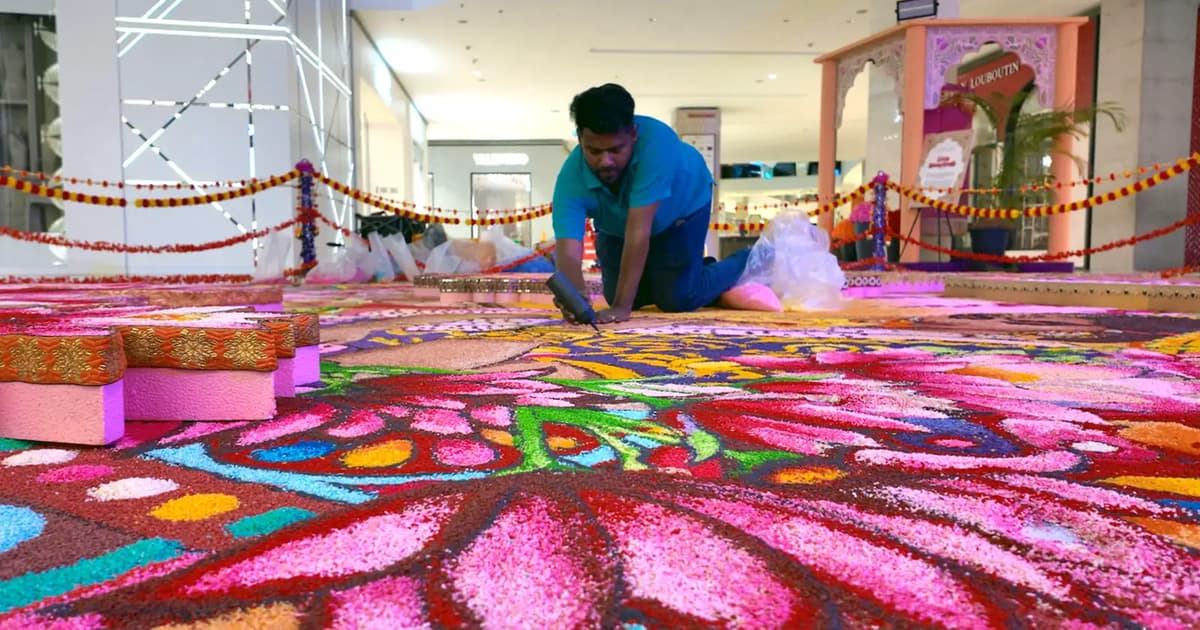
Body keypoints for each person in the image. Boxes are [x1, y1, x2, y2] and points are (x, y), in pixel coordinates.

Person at [550, 83, 750, 324]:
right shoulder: (570, 178)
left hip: (683, 209)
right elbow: (568, 248)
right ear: (580, 138)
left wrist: (622, 309)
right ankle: (689, 269)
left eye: (616, 149)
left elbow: (639, 230)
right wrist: (574, 296)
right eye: (593, 151)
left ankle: (748, 259)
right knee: (621, 295)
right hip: (618, 227)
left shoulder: (658, 144)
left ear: (633, 134)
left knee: (678, 299)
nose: (606, 161)